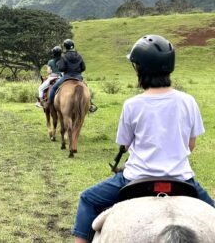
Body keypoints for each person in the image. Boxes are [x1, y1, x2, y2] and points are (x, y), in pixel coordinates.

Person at [72, 35, 214, 243]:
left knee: (87, 199)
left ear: (139, 69)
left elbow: (125, 144)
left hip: (136, 178)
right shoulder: (188, 101)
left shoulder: (132, 104)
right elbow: (191, 145)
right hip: (182, 179)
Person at [44, 39, 97, 112]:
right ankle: (90, 104)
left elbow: (61, 68)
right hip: (78, 77)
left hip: (67, 76)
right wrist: (77, 72)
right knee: (86, 87)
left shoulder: (64, 56)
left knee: (53, 88)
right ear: (73, 46)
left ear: (65, 47)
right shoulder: (79, 56)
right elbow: (83, 68)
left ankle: (49, 103)